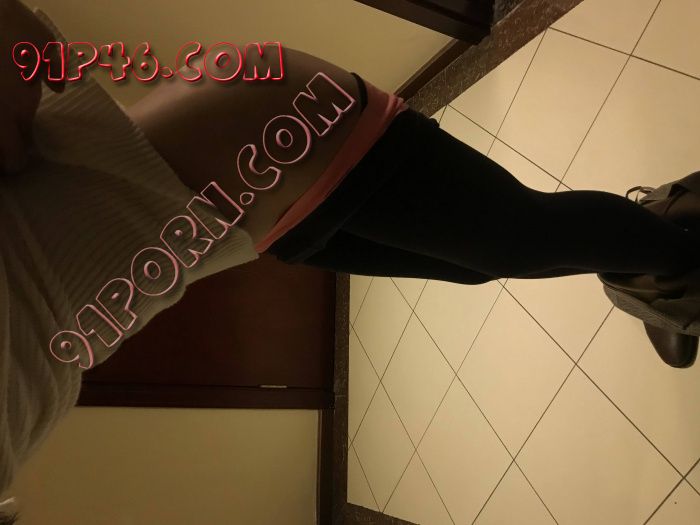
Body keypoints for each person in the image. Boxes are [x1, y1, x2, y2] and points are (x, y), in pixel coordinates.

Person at [0, 0, 697, 518]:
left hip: (270, 136)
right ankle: (655, 237)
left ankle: (676, 254)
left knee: (522, 238)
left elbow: (18, 32)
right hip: (250, 218)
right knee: (480, 262)